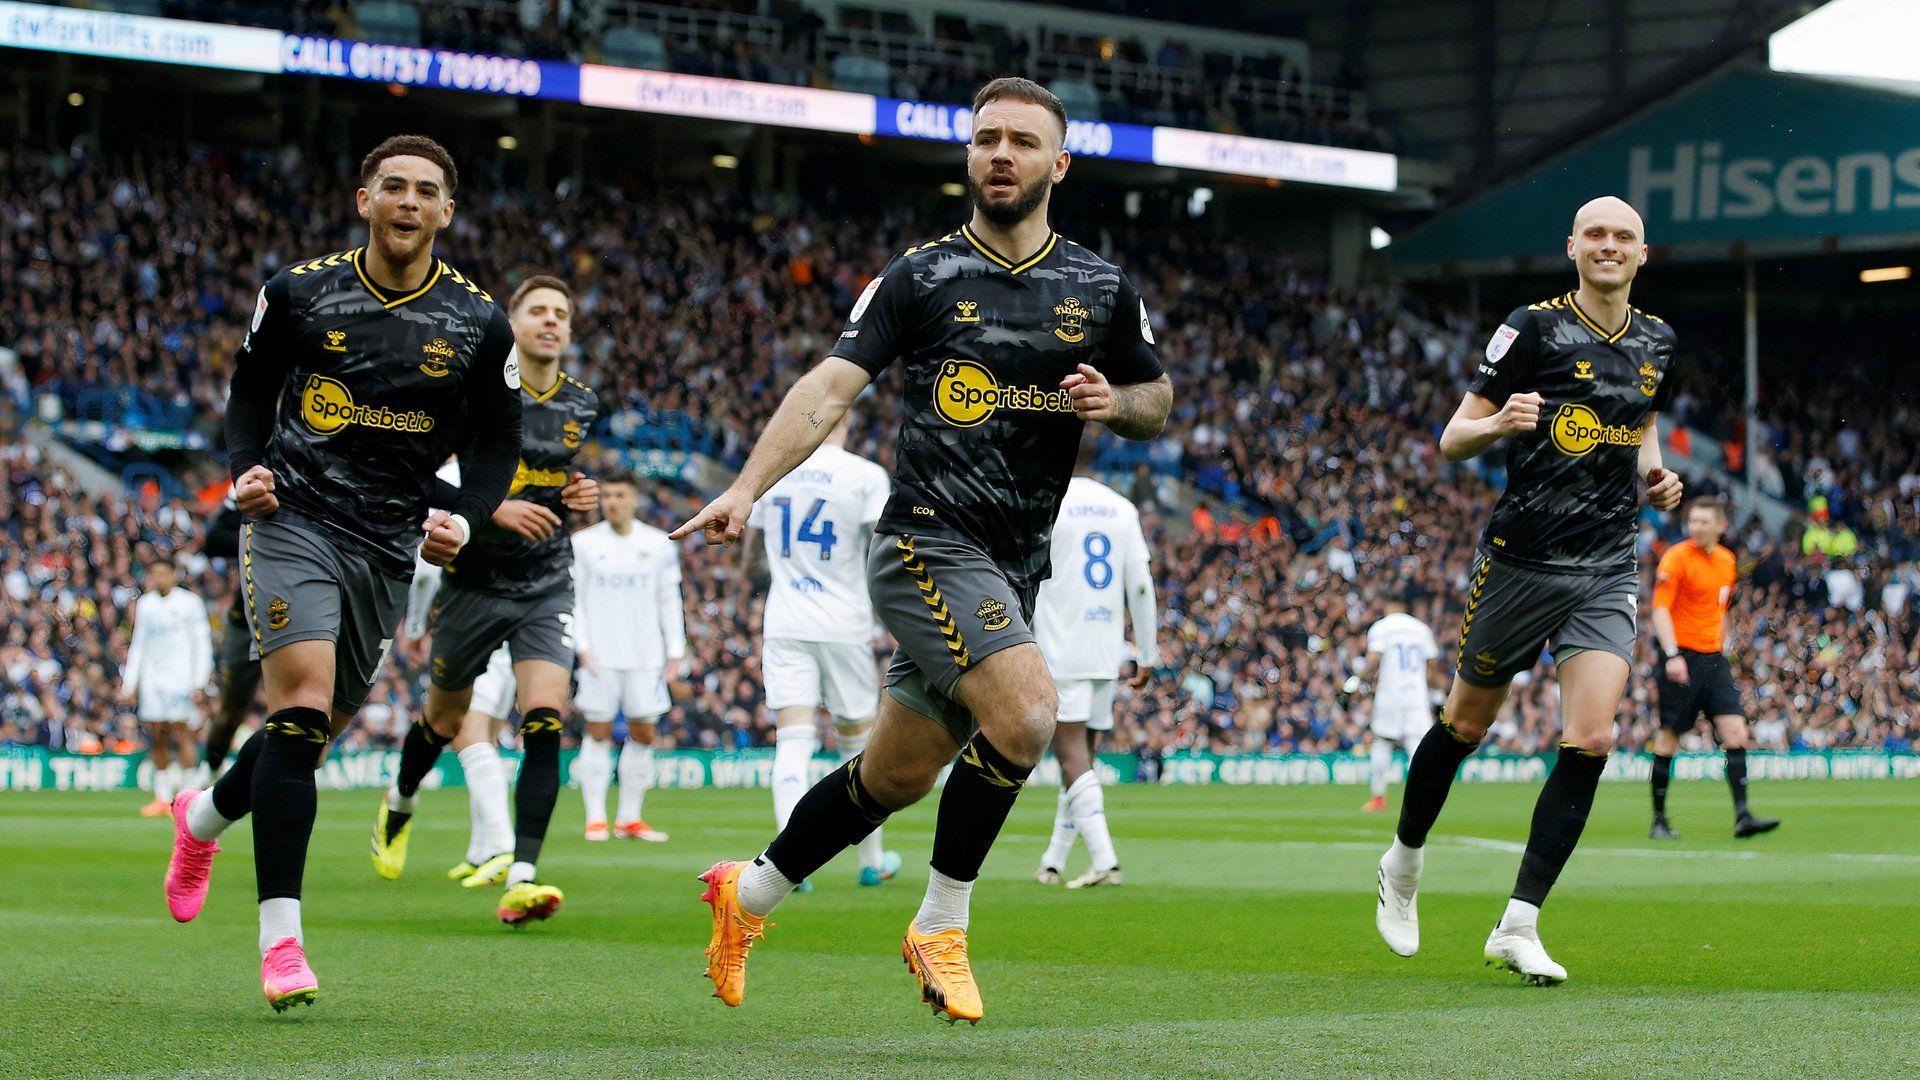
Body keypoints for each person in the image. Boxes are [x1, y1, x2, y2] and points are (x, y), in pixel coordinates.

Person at [676, 77, 1172, 1024]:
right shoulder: (919, 275)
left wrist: (1118, 405)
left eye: (1023, 142)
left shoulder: (1102, 289)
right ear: (969, 155)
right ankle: (941, 924)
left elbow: (1157, 397)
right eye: (986, 138)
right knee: (1028, 714)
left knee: (893, 776)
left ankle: (748, 896)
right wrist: (746, 488)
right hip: (924, 545)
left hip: (1014, 564)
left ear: (1058, 165)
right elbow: (829, 388)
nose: (1000, 154)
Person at [162, 134, 523, 1011]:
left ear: (447, 211)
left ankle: (202, 815)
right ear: (363, 198)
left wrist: (466, 520)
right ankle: (281, 943)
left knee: (310, 732)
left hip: (387, 543)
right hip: (292, 519)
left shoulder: (478, 323)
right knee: (296, 709)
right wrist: (247, 465)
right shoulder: (298, 292)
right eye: (391, 186)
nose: (407, 202)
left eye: (425, 191)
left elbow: (497, 441)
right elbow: (249, 387)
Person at [1374, 195, 1684, 986]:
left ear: (1643, 255)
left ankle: (1520, 922)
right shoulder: (1533, 327)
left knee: (1592, 738)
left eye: (1625, 237)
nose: (1609, 246)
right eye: (1596, 235)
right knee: (1465, 725)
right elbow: (1452, 438)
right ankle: (1403, 863)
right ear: (1572, 246)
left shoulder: (1657, 338)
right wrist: (1501, 424)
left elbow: (1642, 415)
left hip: (1608, 564)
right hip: (1521, 561)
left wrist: (1653, 473)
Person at [370, 275, 600, 928]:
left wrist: (576, 499)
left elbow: (553, 491)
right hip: (473, 584)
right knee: (443, 721)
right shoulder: (471, 396)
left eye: (561, 313)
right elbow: (418, 475)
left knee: (544, 716)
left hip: (544, 583)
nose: (551, 322)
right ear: (515, 323)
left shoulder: (583, 402)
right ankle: (401, 798)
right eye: (538, 312)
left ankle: (524, 873)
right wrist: (488, 508)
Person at [747, 414, 902, 887]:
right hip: (843, 622)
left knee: (793, 741)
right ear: (849, 419)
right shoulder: (864, 475)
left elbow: (752, 559)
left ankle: (786, 867)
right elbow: (885, 549)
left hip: (786, 620)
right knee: (858, 742)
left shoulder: (773, 470)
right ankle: (870, 861)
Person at [1033, 439, 1158, 889]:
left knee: (1070, 758)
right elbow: (1140, 585)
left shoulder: (1047, 501)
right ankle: (1053, 859)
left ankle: (1106, 860)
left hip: (1060, 647)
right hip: (1106, 651)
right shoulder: (1121, 509)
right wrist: (1148, 650)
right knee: (1083, 758)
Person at [1648, 497, 1781, 840]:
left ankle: (1742, 816)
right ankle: (1659, 820)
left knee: (1736, 733)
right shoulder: (1676, 557)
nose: (1696, 527)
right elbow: (1660, 610)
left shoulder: (1727, 561)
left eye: (1704, 522)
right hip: (1681, 656)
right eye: (1693, 521)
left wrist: (1722, 646)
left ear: (1720, 525)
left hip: (1713, 658)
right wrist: (1671, 654)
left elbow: (1719, 608)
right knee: (1669, 738)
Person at [571, 471, 686, 842]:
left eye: (620, 494)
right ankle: (595, 819)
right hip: (599, 655)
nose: (612, 502)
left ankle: (629, 819)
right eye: (606, 495)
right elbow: (575, 601)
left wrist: (675, 649)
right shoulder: (583, 543)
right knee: (598, 730)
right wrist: (582, 647)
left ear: (635, 499)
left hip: (646, 655)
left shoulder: (658, 544)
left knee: (645, 731)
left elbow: (669, 597)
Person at [401, 543, 519, 885]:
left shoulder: (449, 507)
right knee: (486, 741)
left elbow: (425, 576)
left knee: (468, 735)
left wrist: (414, 628)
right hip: (512, 631)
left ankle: (501, 847)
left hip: (474, 632)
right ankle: (480, 852)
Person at [122, 560, 213, 816]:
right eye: (155, 574)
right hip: (153, 678)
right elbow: (138, 642)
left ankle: (189, 795)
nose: (159, 578)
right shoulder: (146, 604)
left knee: (182, 733)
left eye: (163, 573)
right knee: (157, 735)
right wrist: (131, 681)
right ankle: (162, 796)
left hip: (181, 677)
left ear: (174, 575)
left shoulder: (189, 603)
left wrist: (199, 681)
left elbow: (201, 641)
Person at [1354, 598, 1441, 813]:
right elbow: (1432, 667)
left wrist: (1357, 680)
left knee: (1382, 743)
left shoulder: (1381, 627)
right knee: (1417, 746)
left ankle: (1378, 798)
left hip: (1389, 694)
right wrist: (1437, 694)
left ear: (1386, 605)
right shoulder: (1421, 628)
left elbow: (1374, 659)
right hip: (1416, 695)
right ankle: (1419, 800)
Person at [201, 495, 263, 779]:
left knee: (293, 705)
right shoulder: (257, 521)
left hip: (295, 624)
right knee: (233, 707)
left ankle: (285, 772)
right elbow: (213, 541)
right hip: (246, 624)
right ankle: (212, 769)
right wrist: (231, 500)